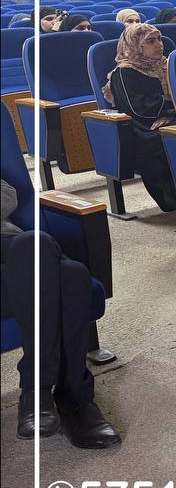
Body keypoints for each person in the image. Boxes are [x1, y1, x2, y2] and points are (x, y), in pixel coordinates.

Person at [1, 192, 121, 448]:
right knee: (73, 276)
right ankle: (74, 400)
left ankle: (39, 393)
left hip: (12, 247)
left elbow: (8, 196)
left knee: (35, 243)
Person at [101, 23, 176, 213]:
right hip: (142, 127)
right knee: (174, 138)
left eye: (159, 39)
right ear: (136, 45)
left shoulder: (166, 64)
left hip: (170, 118)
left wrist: (171, 114)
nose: (159, 44)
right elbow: (138, 108)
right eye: (151, 41)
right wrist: (172, 105)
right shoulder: (124, 73)